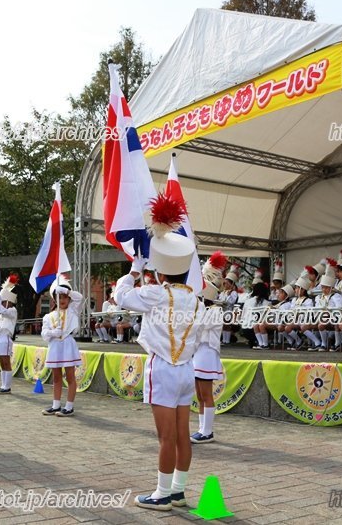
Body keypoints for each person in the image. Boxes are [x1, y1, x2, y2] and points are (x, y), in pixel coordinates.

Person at [115, 193, 204, 511]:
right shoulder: (195, 299)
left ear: (162, 271)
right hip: (186, 369)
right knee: (182, 433)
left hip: (163, 368)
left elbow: (121, 296)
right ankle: (178, 491)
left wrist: (135, 268)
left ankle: (162, 494)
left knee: (166, 437)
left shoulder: (156, 293)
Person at [191, 252, 225, 444]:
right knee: (199, 394)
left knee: (206, 394)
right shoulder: (202, 309)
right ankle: (202, 429)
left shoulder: (215, 311)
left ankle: (208, 431)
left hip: (207, 353)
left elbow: (200, 329)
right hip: (198, 354)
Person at [41, 276, 83, 417]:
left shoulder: (72, 311)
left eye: (65, 296)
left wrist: (66, 290)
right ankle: (56, 405)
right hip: (54, 346)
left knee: (70, 376)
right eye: (59, 297)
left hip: (67, 345)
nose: (63, 300)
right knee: (56, 377)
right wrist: (53, 332)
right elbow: (44, 334)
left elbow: (79, 298)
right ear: (54, 299)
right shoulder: (48, 316)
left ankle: (69, 406)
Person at [0, 275, 19, 394]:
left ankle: (7, 386)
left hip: (6, 338)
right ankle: (3, 385)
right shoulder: (2, 314)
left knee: (6, 361)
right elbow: (2, 314)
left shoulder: (12, 311)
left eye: (4, 302)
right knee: (1, 361)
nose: (2, 304)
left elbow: (5, 312)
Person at [313, 274, 342, 352]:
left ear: (331, 288)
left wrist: (329, 312)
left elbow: (340, 308)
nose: (324, 290)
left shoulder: (336, 296)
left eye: (326, 288)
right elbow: (317, 309)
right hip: (324, 318)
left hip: (335, 317)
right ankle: (324, 344)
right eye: (323, 287)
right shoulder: (319, 297)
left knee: (337, 323)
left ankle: (338, 343)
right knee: (320, 325)